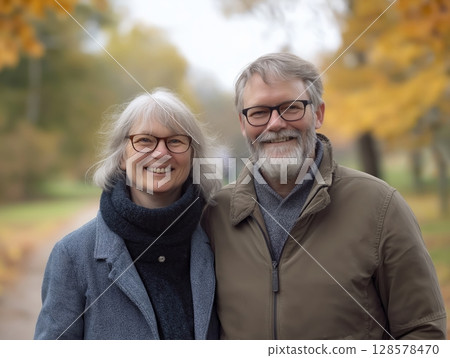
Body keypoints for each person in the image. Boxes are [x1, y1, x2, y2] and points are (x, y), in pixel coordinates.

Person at [202, 53, 447, 339]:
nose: (275, 124)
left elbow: (422, 332)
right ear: (243, 124)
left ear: (318, 114)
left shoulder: (380, 207)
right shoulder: (215, 214)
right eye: (259, 112)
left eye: (291, 108)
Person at [35, 88, 220, 339]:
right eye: (145, 140)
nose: (161, 153)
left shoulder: (219, 239)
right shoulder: (73, 254)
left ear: (193, 155)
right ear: (122, 156)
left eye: (175, 141)